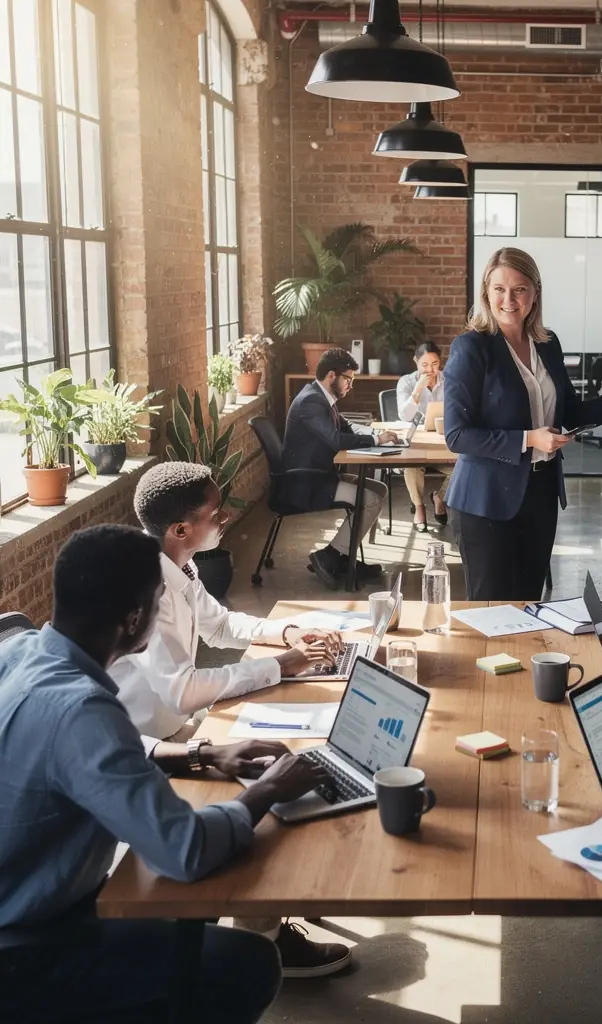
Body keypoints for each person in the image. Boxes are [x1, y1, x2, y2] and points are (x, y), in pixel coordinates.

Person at [0, 524, 331, 1023]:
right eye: (158, 603)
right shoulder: (84, 711)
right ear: (134, 620)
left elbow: (75, 757)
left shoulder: (19, 649)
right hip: (26, 952)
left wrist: (198, 755)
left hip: (22, 908)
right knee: (247, 963)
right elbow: (185, 851)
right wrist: (266, 791)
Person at [108, 461, 354, 979]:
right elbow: (183, 689)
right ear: (181, 529)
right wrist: (278, 667)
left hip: (175, 728)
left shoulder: (181, 566)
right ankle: (264, 942)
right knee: (265, 796)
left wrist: (286, 633)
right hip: (152, 744)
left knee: (284, 754)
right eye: (215, 514)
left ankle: (271, 912)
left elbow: (221, 625)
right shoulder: (148, 586)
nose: (225, 520)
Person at [443, 247, 602, 599]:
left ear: (535, 293)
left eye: (519, 289)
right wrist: (529, 439)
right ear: (486, 293)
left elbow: (571, 413)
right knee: (492, 610)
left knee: (531, 604)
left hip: (540, 495)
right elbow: (456, 435)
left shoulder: (547, 344)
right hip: (485, 503)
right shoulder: (471, 348)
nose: (509, 299)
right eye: (499, 289)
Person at [281, 347, 397, 589]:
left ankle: (345, 558)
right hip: (306, 483)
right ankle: (330, 556)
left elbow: (346, 426)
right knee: (371, 499)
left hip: (319, 476)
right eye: (348, 379)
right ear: (332, 375)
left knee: (379, 489)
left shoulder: (321, 396)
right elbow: (335, 438)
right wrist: (376, 440)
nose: (350, 385)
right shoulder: (312, 401)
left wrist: (374, 433)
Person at [395, 340, 453, 532]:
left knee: (464, 466)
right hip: (416, 445)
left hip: (442, 443)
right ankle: (419, 507)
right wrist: (418, 389)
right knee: (411, 465)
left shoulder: (449, 380)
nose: (430, 369)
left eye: (435, 364)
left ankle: (440, 497)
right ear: (415, 362)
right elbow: (405, 416)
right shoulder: (406, 382)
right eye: (425, 365)